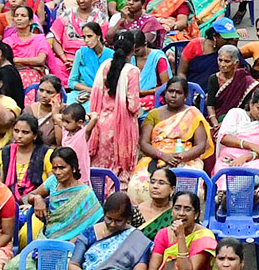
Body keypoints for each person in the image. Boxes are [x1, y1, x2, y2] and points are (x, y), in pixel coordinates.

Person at [129, 77, 213, 203]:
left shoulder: (193, 114)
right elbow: (144, 143)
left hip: (186, 157)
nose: (173, 95)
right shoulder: (154, 114)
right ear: (165, 93)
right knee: (136, 186)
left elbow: (200, 146)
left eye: (178, 93)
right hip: (156, 157)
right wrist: (163, 156)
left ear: (185, 96)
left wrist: (180, 157)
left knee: (192, 189)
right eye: (170, 91)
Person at [89, 30, 142, 183]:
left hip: (100, 123)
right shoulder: (132, 72)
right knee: (118, 169)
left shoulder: (105, 65)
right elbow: (132, 106)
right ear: (133, 48)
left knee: (101, 165)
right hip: (121, 127)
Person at [22, 147, 102, 246]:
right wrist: (37, 198)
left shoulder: (85, 193)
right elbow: (30, 196)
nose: (57, 172)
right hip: (49, 238)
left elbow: (94, 224)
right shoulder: (53, 182)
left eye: (62, 168)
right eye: (54, 168)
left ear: (73, 168)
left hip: (75, 244)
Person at [69, 192, 152, 270]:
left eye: (119, 221)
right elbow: (73, 264)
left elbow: (140, 266)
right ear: (104, 214)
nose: (113, 224)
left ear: (127, 219)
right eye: (109, 219)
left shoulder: (137, 239)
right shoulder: (89, 233)